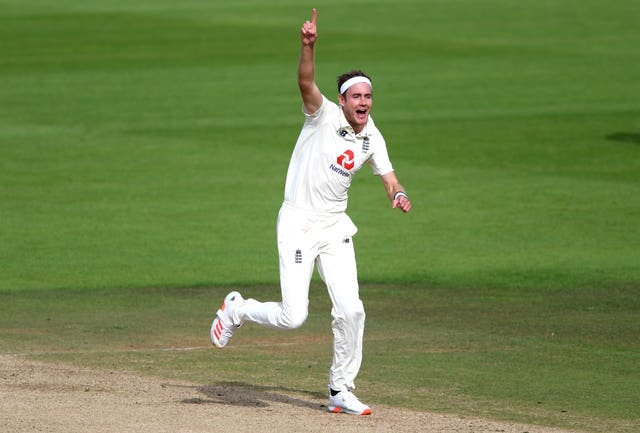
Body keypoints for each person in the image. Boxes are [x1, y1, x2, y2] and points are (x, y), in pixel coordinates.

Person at [210, 8, 411, 416]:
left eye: (368, 97)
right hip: (299, 222)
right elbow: (305, 82)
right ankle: (237, 308)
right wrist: (307, 46)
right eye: (356, 97)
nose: (363, 103)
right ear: (343, 100)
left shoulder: (372, 137)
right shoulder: (322, 116)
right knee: (293, 316)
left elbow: (389, 176)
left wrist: (398, 193)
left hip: (335, 226)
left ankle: (340, 389)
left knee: (352, 309)